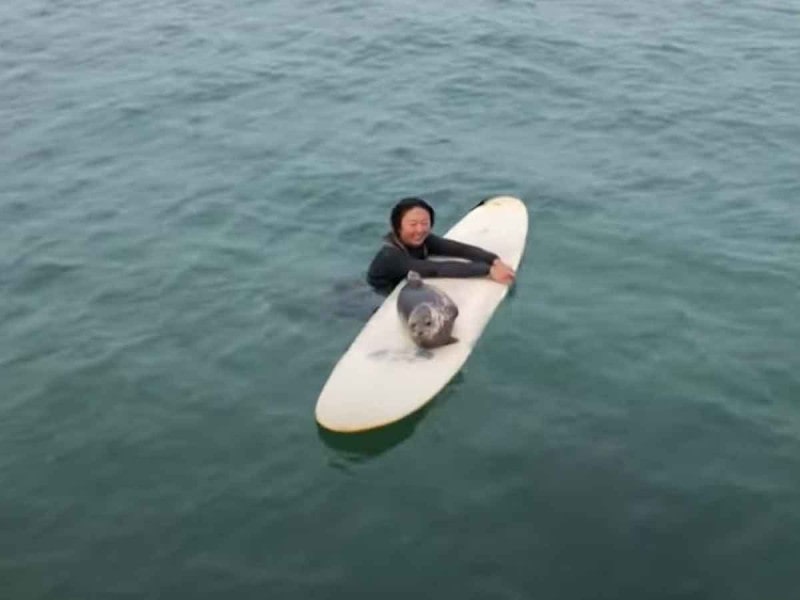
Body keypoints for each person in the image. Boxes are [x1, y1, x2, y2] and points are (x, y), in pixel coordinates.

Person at [366, 197, 516, 295]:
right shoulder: (390, 256)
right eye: (413, 224)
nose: (420, 230)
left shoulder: (423, 240)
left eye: (425, 223)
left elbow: (458, 249)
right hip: (373, 294)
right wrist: (488, 271)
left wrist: (493, 260)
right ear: (397, 227)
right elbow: (436, 269)